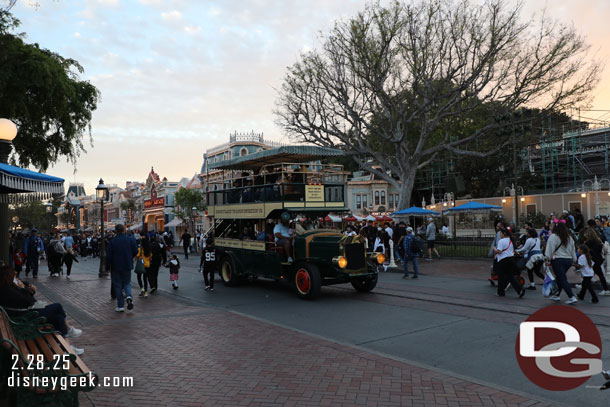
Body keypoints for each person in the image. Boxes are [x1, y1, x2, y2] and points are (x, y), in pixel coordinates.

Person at [0, 265, 84, 354]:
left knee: (58, 318)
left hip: (25, 316)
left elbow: (27, 300)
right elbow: (29, 301)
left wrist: (25, 288)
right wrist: (24, 289)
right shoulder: (7, 290)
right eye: (14, 272)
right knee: (57, 306)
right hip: (27, 318)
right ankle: (69, 330)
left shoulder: (8, 287)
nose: (16, 273)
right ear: (8, 275)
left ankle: (68, 348)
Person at [544, 221, 578, 304]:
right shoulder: (569, 238)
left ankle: (571, 297)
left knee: (562, 278)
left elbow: (550, 249)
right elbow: (573, 250)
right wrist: (574, 259)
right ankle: (556, 295)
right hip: (568, 260)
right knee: (559, 277)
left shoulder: (553, 237)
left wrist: (547, 258)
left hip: (558, 260)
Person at [106, 224, 138, 312]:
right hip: (127, 265)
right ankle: (129, 296)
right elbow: (136, 251)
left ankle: (120, 306)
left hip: (116, 266)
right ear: (124, 230)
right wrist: (129, 256)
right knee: (127, 283)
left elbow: (108, 256)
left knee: (118, 285)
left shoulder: (113, 241)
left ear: (115, 231)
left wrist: (107, 267)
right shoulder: (130, 239)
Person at [493, 227, 525, 298]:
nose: (500, 234)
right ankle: (520, 290)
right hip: (511, 260)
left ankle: (501, 292)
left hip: (503, 260)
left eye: (501, 233)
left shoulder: (501, 241)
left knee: (501, 277)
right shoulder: (510, 241)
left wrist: (494, 248)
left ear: (504, 234)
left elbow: (499, 251)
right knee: (510, 277)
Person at [582, 228, 610, 296]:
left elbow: (589, 251)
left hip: (593, 260)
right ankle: (583, 290)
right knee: (597, 275)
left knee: (589, 275)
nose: (585, 235)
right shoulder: (598, 240)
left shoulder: (589, 242)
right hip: (598, 259)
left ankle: (583, 291)